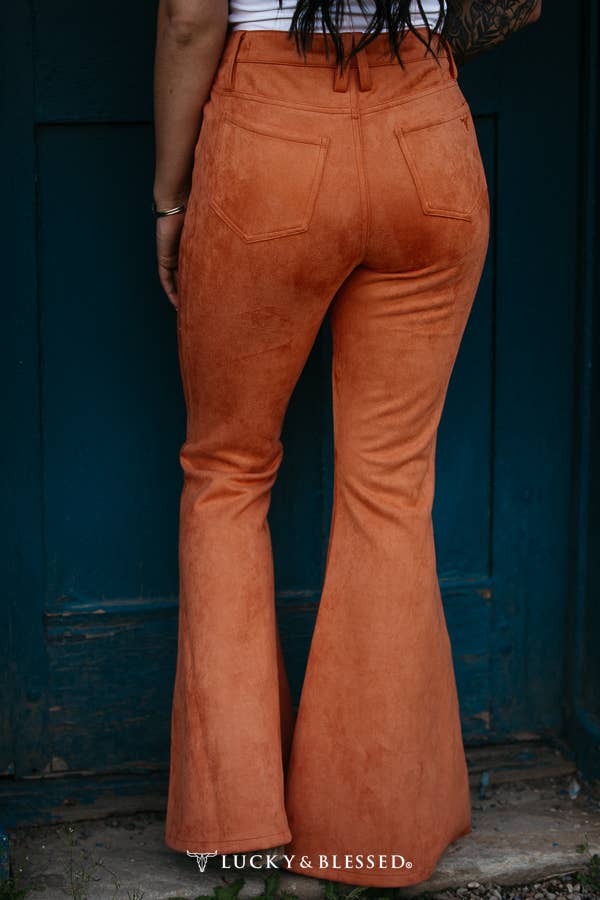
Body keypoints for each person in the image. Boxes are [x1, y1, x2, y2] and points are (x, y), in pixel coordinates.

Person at [153, 0, 542, 888]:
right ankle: (373, 836)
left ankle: (235, 827)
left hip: (271, 137)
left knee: (227, 473)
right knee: (391, 486)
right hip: (425, 131)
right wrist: (411, 53)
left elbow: (187, 18)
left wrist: (170, 197)